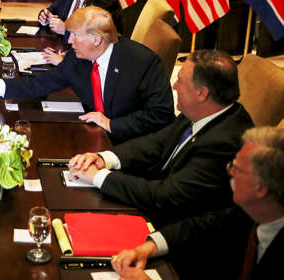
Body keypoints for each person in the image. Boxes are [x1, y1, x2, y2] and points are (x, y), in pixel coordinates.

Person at [68, 49, 254, 226]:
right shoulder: (201, 111)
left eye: (180, 81)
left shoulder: (223, 142)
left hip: (173, 226)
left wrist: (99, 177)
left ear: (201, 93)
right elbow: (155, 143)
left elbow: (165, 196)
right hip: (152, 198)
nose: (174, 85)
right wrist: (103, 158)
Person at [110, 127, 283, 280]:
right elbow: (200, 227)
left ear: (261, 188)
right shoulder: (250, 211)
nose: (229, 172)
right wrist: (148, 248)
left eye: (237, 168)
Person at [0, 6, 174, 143]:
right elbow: (39, 84)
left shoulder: (143, 62)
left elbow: (161, 115)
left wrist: (112, 124)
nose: (70, 41)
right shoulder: (78, 58)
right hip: (93, 137)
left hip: (131, 142)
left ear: (96, 39)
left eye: (75, 35)